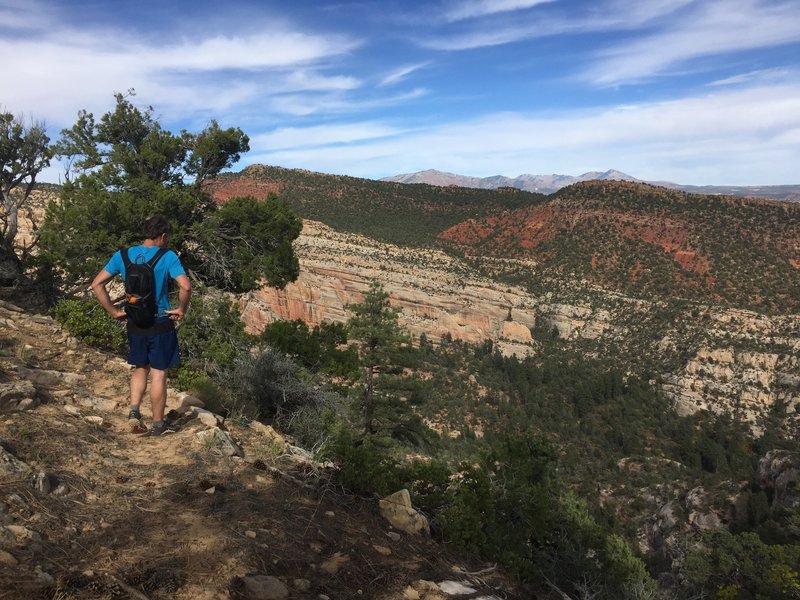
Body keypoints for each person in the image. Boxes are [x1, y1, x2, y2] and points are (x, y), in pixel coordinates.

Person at [91, 215, 192, 436]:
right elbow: (185, 286)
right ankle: (158, 424)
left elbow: (96, 284)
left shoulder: (123, 255)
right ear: (163, 236)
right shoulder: (167, 256)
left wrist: (114, 312)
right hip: (160, 321)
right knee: (159, 373)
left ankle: (134, 412)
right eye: (167, 237)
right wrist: (181, 309)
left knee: (140, 367)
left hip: (134, 320)